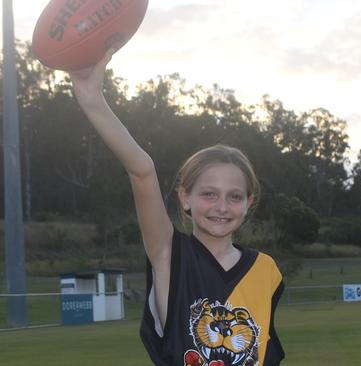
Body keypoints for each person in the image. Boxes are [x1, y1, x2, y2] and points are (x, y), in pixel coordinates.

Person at [70, 49, 285, 366]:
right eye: (209, 194)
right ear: (185, 197)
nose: (222, 207)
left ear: (249, 202)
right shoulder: (169, 255)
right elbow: (141, 171)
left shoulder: (265, 270)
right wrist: (92, 99)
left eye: (234, 196)